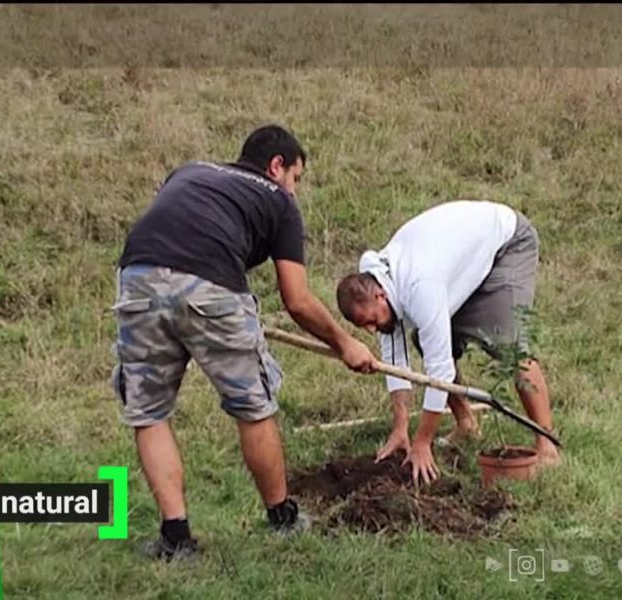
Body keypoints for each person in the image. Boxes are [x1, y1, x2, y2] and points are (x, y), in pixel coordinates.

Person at [111, 125, 377, 560]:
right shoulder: (279, 201)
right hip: (210, 284)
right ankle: (283, 519)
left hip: (137, 277)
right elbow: (297, 299)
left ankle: (175, 541)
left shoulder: (191, 171)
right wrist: (345, 343)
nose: (296, 189)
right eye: (297, 177)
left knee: (149, 411)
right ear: (278, 166)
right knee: (253, 405)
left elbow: (176, 226)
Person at [335, 200, 559, 486]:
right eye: (362, 325)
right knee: (426, 338)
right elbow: (394, 359)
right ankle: (466, 423)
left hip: (506, 243)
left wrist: (422, 442)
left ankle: (547, 446)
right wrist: (401, 429)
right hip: (460, 265)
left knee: (511, 350)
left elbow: (439, 372)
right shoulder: (380, 282)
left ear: (380, 295)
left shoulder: (419, 288)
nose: (369, 330)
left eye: (370, 321)